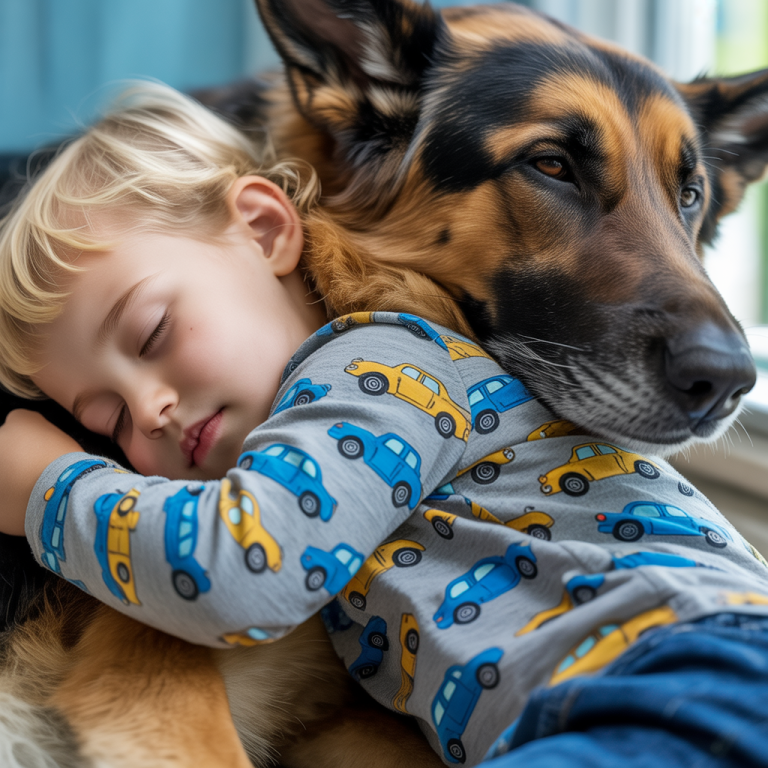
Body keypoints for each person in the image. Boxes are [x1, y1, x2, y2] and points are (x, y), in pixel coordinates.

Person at [1, 81, 768, 768]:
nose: (147, 411)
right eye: (102, 415)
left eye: (152, 332)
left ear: (266, 230)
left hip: (683, 667)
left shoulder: (386, 361)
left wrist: (48, 483)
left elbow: (241, 571)